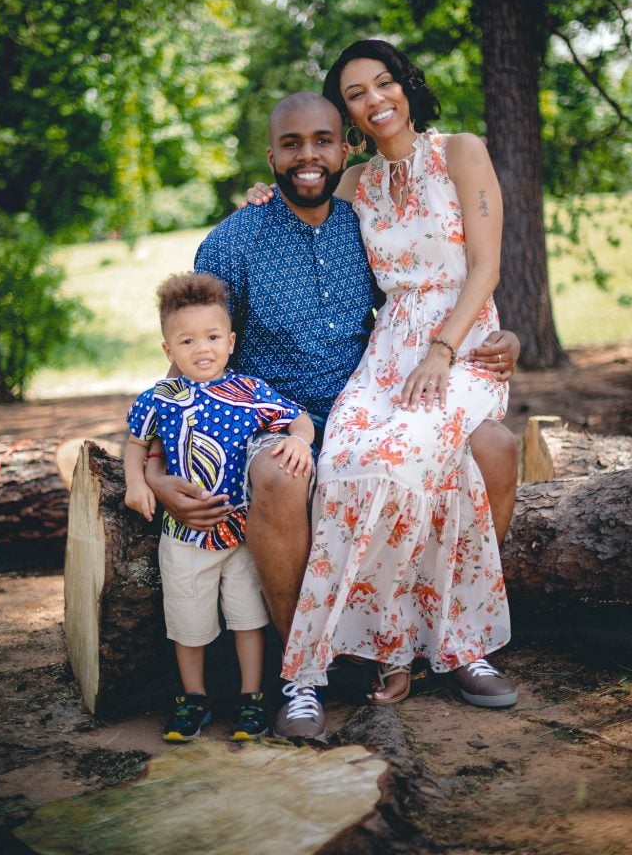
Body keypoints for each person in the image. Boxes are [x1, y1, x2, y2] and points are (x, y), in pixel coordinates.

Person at [143, 89, 520, 741]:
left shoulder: (364, 225)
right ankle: (302, 674)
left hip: (371, 402)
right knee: (282, 478)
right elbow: (190, 360)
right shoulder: (232, 244)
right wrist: (153, 471)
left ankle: (455, 640)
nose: (307, 156)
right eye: (291, 144)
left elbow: (424, 295)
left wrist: (501, 340)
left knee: (494, 447)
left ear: (344, 150)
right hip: (271, 418)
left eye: (322, 140)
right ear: (271, 157)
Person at [279, 38, 514, 724]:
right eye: (356, 93)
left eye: (383, 84)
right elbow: (302, 197)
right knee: (346, 464)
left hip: (462, 344)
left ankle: (395, 650)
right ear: (345, 112)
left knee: (398, 463)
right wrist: (269, 191)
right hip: (387, 353)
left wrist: (442, 350)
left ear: (405, 86)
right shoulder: (355, 184)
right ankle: (404, 650)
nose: (374, 100)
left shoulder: (461, 152)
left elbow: (486, 268)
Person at [124, 271, 314, 742]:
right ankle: (193, 699)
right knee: (188, 622)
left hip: (242, 534)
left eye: (212, 337)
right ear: (169, 350)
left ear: (230, 341)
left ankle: (252, 698)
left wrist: (302, 443)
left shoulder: (250, 390)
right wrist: (135, 482)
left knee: (248, 619)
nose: (201, 348)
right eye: (187, 340)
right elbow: (134, 442)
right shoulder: (160, 398)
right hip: (184, 537)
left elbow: (298, 418)